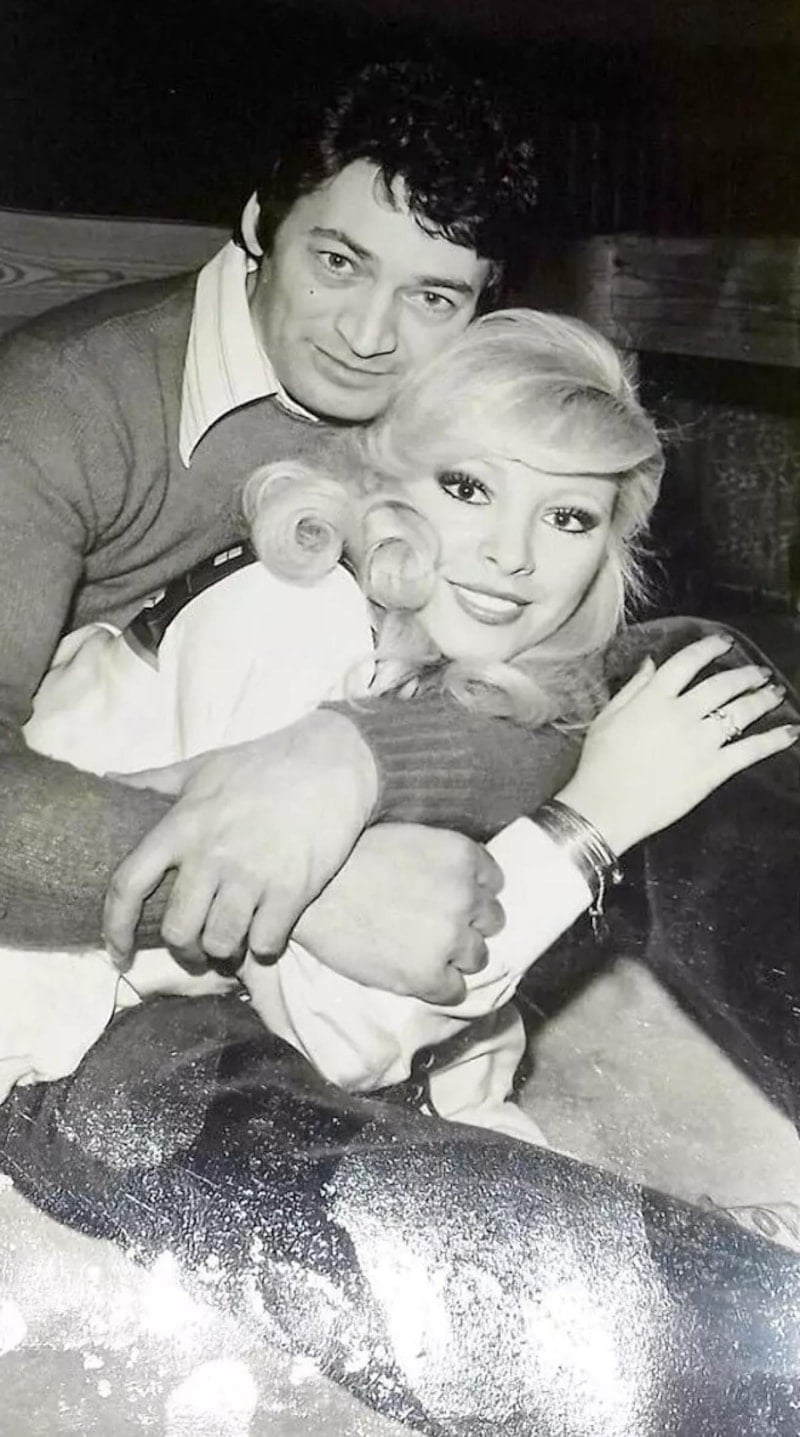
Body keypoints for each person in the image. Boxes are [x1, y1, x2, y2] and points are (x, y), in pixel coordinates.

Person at [7, 311, 794, 1148]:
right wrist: (590, 823)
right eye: (468, 488)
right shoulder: (295, 614)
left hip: (190, 1027)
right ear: (383, 480)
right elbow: (339, 1038)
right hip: (51, 1050)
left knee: (703, 669)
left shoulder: (423, 642)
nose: (512, 555)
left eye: (568, 517)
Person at [0, 56, 541, 993]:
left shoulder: (461, 413)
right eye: (337, 263)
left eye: (432, 298)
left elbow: (571, 689)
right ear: (260, 225)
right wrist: (302, 883)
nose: (368, 337)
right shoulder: (59, 400)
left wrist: (355, 760)